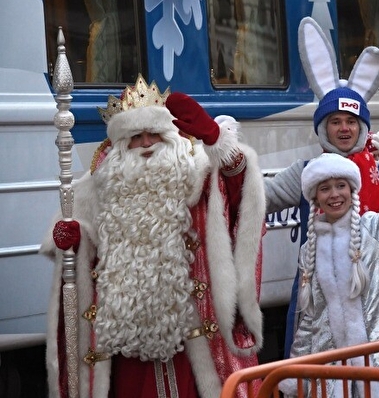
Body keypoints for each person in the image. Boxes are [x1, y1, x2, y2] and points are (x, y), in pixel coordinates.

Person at [41, 75, 266, 398]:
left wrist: (221, 146)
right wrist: (71, 240)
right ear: (120, 145)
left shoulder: (195, 173)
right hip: (124, 342)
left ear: (170, 137)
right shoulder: (97, 185)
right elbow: (75, 249)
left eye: (154, 135)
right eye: (136, 137)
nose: (146, 144)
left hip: (193, 340)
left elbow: (238, 198)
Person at [264, 16, 379, 359]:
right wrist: (230, 166)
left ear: (362, 127)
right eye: (335, 121)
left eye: (351, 121)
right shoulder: (305, 172)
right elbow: (260, 198)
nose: (344, 129)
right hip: (319, 301)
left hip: (376, 297)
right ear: (323, 126)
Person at [279, 146, 379, 398]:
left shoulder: (376, 227)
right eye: (325, 188)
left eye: (340, 185)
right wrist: (294, 374)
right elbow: (310, 319)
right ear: (315, 198)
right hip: (335, 377)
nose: (334, 194)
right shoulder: (309, 250)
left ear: (352, 190)